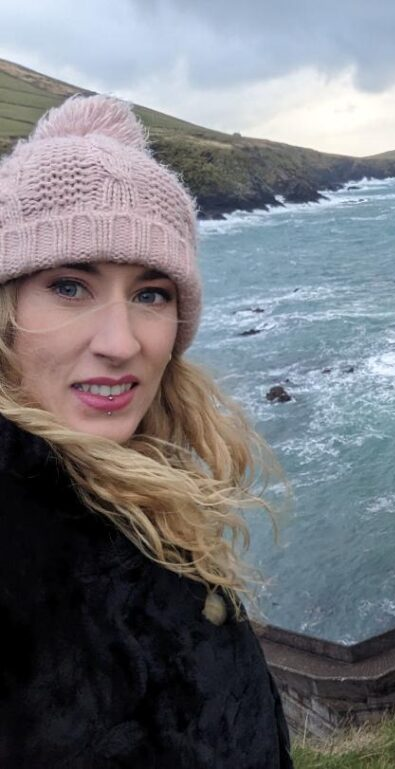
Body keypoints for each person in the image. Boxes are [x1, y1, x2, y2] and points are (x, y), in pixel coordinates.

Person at [0, 95, 293, 768]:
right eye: (70, 285)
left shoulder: (136, 494)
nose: (120, 341)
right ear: (7, 309)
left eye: (151, 293)